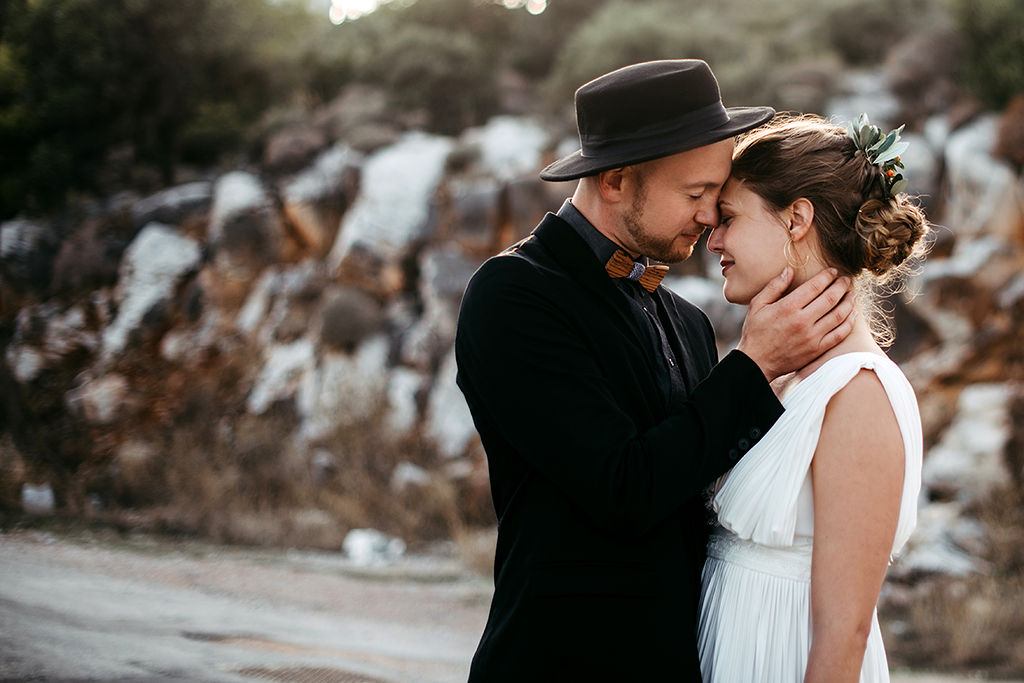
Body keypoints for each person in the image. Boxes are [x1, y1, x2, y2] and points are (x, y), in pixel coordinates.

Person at [454, 60, 856, 682]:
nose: (710, 217)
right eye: (695, 195)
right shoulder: (514, 295)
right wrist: (754, 366)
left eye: (717, 198)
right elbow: (622, 489)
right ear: (616, 180)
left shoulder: (688, 319)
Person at [698, 113, 930, 682]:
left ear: (796, 219)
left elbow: (844, 636)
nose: (713, 239)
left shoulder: (859, 393)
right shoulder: (777, 378)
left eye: (729, 217)